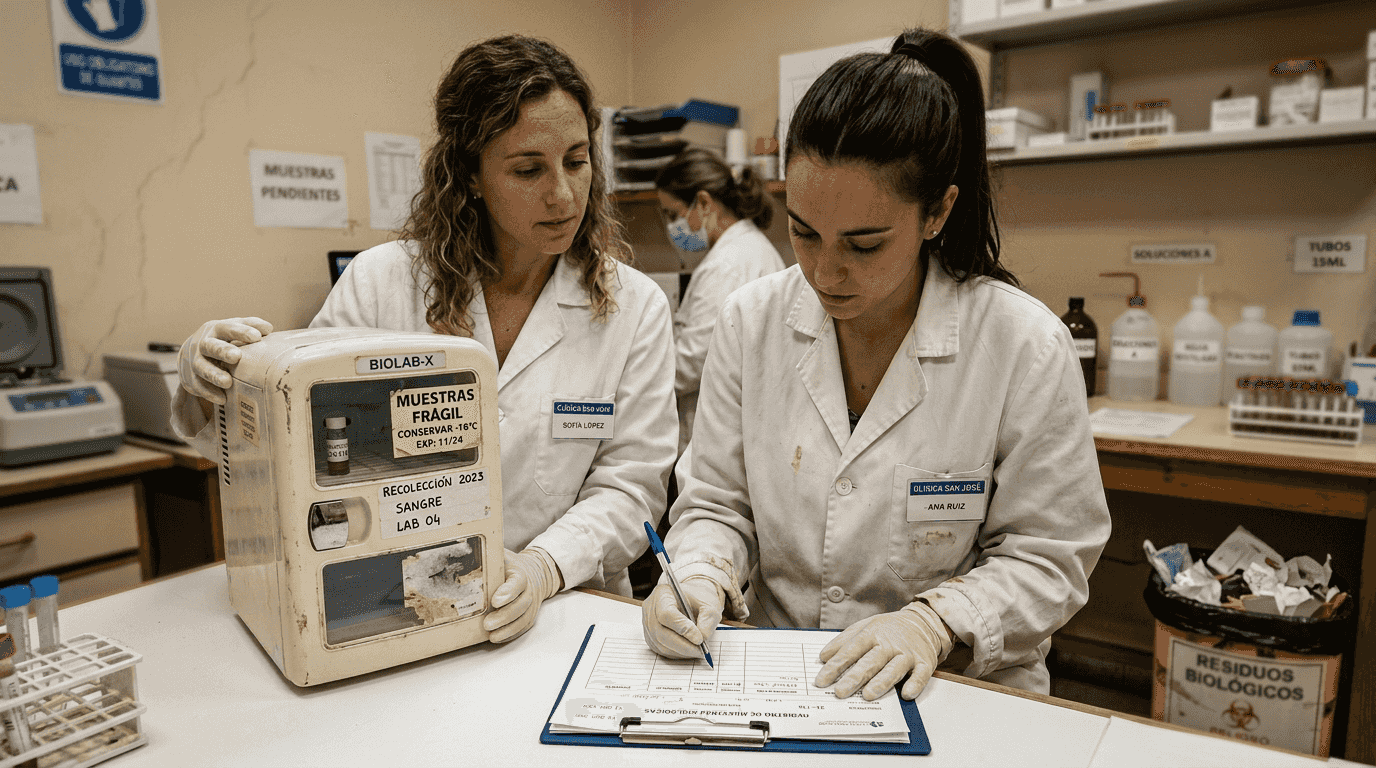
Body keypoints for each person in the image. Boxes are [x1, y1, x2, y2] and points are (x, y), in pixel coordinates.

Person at [641, 28, 1111, 701]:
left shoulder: (1021, 345)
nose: (825, 273)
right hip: (785, 679)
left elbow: (1049, 554)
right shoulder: (752, 322)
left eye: (864, 244)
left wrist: (933, 622)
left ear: (937, 212)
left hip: (956, 689)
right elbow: (719, 502)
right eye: (803, 232)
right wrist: (699, 574)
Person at [174, 35, 677, 645]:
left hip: (567, 609)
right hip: (394, 603)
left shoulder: (633, 306)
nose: (564, 194)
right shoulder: (384, 282)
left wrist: (544, 568)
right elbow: (285, 446)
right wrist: (210, 381)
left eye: (576, 160)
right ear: (469, 174)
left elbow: (631, 485)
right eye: (527, 169)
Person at [655, 150, 785, 454]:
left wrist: (633, 380)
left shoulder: (727, 265)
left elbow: (692, 362)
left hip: (722, 437)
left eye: (673, 215)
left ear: (703, 203)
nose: (672, 228)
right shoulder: (749, 250)